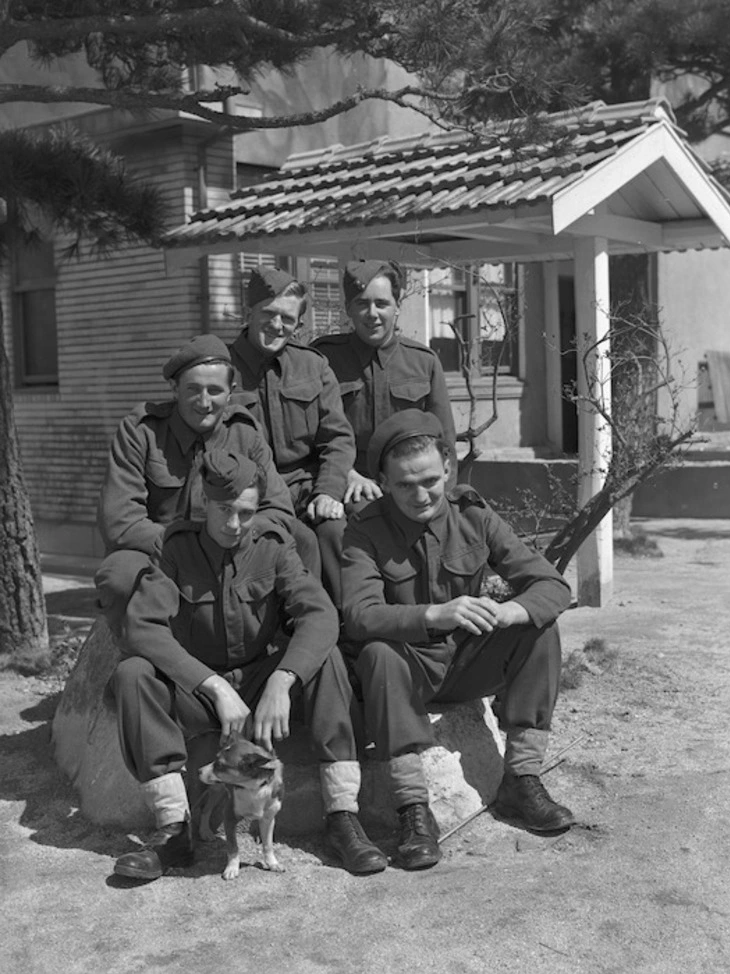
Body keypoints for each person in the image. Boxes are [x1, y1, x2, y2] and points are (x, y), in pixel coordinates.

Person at [111, 450, 386, 880]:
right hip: (198, 689)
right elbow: (142, 628)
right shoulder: (175, 547)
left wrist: (283, 678)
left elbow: (318, 614)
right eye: (223, 510)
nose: (233, 524)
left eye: (245, 512)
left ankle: (342, 817)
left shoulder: (273, 546)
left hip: (260, 685)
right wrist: (212, 686)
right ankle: (173, 831)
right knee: (133, 674)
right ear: (205, 501)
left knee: (326, 658)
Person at [341, 410, 575, 871]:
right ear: (384, 482)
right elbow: (359, 615)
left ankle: (521, 779)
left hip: (466, 663)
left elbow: (552, 586)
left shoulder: (473, 515)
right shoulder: (363, 530)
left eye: (429, 479)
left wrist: (511, 611)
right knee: (377, 652)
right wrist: (433, 614)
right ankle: (413, 811)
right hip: (406, 671)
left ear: (447, 468)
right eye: (405, 484)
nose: (421, 494)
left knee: (539, 626)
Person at [95, 333, 299, 634]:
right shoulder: (142, 432)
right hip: (160, 550)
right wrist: (193, 547)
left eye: (215, 391)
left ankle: (276, 650)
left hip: (233, 542)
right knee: (119, 576)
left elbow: (279, 511)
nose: (204, 403)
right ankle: (139, 658)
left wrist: (230, 539)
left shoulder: (245, 433)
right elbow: (120, 523)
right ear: (174, 388)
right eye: (193, 390)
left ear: (230, 393)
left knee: (302, 544)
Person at [229, 266, 356, 607]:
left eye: (288, 319)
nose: (277, 325)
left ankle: (347, 632)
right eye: (268, 314)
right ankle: (302, 630)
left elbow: (338, 438)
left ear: (299, 324)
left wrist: (328, 491)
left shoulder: (313, 366)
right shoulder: (221, 368)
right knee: (295, 544)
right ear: (249, 313)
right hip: (247, 496)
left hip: (305, 490)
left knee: (336, 532)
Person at [313, 259, 457, 508]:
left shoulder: (423, 362)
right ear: (348, 308)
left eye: (382, 304)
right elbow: (311, 435)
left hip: (412, 488)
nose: (372, 314)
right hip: (349, 487)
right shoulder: (324, 360)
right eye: (362, 303)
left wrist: (442, 500)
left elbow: (445, 443)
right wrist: (345, 475)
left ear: (397, 307)